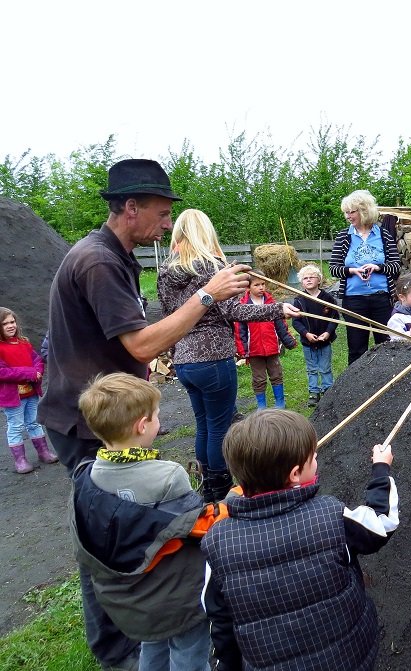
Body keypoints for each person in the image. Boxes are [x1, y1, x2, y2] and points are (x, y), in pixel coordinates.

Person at [38, 158, 250, 671]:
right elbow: (141, 341)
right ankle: (118, 647)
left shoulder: (113, 255)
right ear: (129, 208)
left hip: (103, 411)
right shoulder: (98, 262)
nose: (164, 223)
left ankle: (136, 631)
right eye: (159, 212)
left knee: (118, 523)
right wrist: (208, 295)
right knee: (104, 532)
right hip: (89, 421)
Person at [201, 410, 399, 670]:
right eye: (313, 458)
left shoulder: (217, 542)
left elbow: (219, 616)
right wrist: (381, 469)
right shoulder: (331, 517)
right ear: (295, 473)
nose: (317, 459)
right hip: (343, 658)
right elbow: (381, 523)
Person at [157, 209, 301, 503]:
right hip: (213, 358)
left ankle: (206, 484)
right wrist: (277, 309)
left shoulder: (166, 272)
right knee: (219, 426)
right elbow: (235, 311)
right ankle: (220, 490)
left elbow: (171, 314)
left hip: (184, 360)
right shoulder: (213, 268)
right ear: (207, 232)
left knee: (204, 423)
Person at [73, 373, 213, 671]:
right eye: (157, 416)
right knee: (189, 652)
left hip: (136, 604)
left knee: (153, 644)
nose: (158, 421)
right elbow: (196, 524)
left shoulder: (89, 476)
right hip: (177, 598)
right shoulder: (168, 476)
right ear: (142, 425)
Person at [329, 190, 402, 365]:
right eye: (346, 212)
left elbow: (396, 266)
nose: (348, 216)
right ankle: (355, 389)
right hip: (353, 300)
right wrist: (352, 271)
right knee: (356, 348)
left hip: (381, 299)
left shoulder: (383, 235)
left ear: (364, 211)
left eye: (351, 212)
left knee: (385, 344)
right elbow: (333, 269)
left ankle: (388, 381)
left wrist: (377, 267)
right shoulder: (343, 236)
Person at [0, 307, 58, 473]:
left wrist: (38, 370)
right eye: (5, 324)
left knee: (34, 422)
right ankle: (20, 460)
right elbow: (2, 372)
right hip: (13, 397)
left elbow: (37, 359)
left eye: (12, 322)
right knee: (16, 426)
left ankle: (43, 452)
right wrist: (30, 373)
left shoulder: (23, 343)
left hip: (31, 392)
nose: (11, 326)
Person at [236, 277, 298, 410]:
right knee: (259, 378)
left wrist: (288, 341)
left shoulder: (271, 303)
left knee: (276, 375)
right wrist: (242, 350)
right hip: (254, 350)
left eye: (263, 284)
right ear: (248, 288)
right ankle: (261, 406)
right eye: (256, 285)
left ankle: (280, 402)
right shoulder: (242, 306)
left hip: (272, 348)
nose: (261, 287)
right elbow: (239, 331)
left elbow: (281, 325)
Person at [291, 264, 339, 408]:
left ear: (319, 280)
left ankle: (327, 389)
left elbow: (334, 317)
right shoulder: (299, 300)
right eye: (305, 278)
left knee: (325, 367)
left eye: (312, 277)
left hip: (325, 340)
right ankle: (313, 391)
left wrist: (328, 332)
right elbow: (296, 322)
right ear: (302, 282)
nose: (309, 280)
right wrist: (306, 334)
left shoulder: (327, 298)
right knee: (312, 368)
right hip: (308, 342)